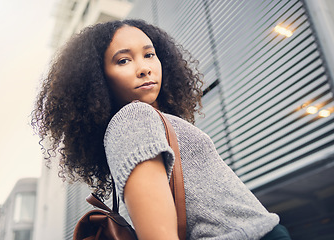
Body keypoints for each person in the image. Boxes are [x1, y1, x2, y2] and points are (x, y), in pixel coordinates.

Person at [32, 19, 291, 239]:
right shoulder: (132, 118)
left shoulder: (147, 119)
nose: (144, 68)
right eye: (123, 60)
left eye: (149, 54)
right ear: (98, 78)